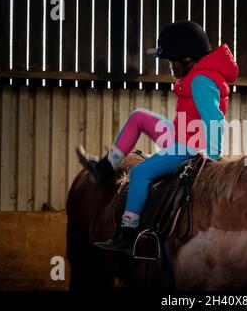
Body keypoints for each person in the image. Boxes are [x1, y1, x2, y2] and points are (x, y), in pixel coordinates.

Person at [76, 20, 238, 251]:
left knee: (141, 172)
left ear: (188, 59)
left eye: (173, 62)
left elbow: (214, 119)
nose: (171, 67)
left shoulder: (202, 81)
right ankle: (106, 166)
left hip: (190, 148)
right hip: (181, 136)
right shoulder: (198, 76)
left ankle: (128, 232)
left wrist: (211, 156)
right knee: (138, 116)